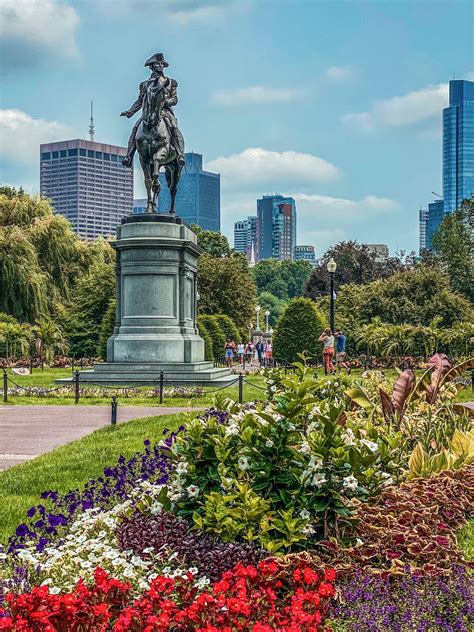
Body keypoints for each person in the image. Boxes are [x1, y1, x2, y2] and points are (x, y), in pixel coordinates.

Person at [120, 52, 185, 168]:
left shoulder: (170, 82)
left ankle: (180, 154)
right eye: (157, 64)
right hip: (148, 113)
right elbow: (140, 101)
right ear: (151, 66)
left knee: (173, 126)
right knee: (135, 128)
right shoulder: (144, 84)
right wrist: (130, 112)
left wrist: (166, 102)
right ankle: (128, 156)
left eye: (161, 64)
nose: (160, 66)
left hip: (165, 112)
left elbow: (175, 99)